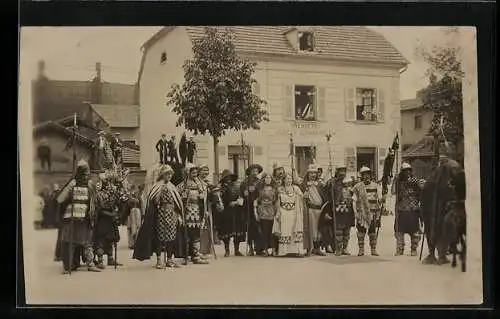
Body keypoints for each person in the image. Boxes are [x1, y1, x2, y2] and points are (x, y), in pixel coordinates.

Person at [133, 165, 184, 268]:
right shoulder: (156, 187)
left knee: (171, 237)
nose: (169, 176)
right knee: (159, 238)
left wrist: (178, 215)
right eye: (167, 174)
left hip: (172, 215)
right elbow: (153, 202)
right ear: (162, 175)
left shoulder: (172, 187)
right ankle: (159, 260)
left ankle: (169, 259)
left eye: (170, 174)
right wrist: (158, 197)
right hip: (160, 215)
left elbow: (177, 203)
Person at [56, 159, 100, 274]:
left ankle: (89, 263)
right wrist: (69, 191)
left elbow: (94, 201)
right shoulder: (72, 183)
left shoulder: (90, 185)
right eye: (85, 172)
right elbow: (60, 199)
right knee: (70, 242)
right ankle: (69, 266)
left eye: (87, 172)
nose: (86, 175)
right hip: (71, 218)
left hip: (85, 218)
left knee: (87, 242)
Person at [175, 163, 209, 264]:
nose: (195, 173)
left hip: (197, 212)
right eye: (192, 172)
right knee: (187, 235)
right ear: (187, 173)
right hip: (187, 212)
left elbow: (204, 196)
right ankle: (185, 256)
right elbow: (176, 197)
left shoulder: (199, 184)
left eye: (195, 172)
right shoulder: (182, 185)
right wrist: (182, 198)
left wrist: (203, 198)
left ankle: (196, 255)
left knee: (196, 234)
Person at [93, 171, 126, 269]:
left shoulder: (113, 193)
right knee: (100, 240)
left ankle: (110, 259)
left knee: (111, 239)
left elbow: (118, 203)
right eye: (106, 181)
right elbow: (98, 209)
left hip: (111, 219)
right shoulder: (98, 194)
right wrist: (111, 214)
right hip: (102, 219)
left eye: (108, 181)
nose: (108, 183)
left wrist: (117, 213)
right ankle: (99, 260)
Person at [393, 163, 423, 256]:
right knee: (399, 231)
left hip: (413, 209)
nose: (407, 173)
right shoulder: (398, 181)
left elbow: (421, 192)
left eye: (409, 170)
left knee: (414, 231)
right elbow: (394, 191)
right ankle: (400, 248)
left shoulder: (415, 180)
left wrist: (417, 185)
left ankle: (414, 249)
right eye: (405, 171)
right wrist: (396, 180)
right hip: (401, 209)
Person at [273, 172, 305, 257]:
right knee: (285, 230)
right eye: (287, 179)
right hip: (284, 213)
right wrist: (278, 212)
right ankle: (284, 251)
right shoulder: (280, 189)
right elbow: (277, 202)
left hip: (294, 212)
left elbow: (302, 197)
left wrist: (302, 195)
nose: (289, 180)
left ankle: (296, 251)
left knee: (294, 230)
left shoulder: (296, 188)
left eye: (290, 178)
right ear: (284, 180)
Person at [352, 166, 383, 256]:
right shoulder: (358, 187)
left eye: (368, 174)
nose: (366, 176)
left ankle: (373, 249)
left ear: (370, 175)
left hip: (372, 213)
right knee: (361, 232)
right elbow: (354, 200)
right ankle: (361, 250)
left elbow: (379, 197)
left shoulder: (376, 186)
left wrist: (381, 200)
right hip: (361, 214)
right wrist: (355, 213)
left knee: (372, 232)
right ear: (361, 176)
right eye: (364, 174)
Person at [324, 167, 356, 256]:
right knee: (338, 230)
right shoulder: (333, 182)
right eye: (340, 171)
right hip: (338, 208)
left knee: (347, 230)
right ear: (337, 172)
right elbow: (327, 191)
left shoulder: (350, 181)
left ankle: (345, 248)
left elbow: (354, 193)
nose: (342, 173)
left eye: (344, 171)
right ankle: (338, 248)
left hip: (348, 208)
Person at [300, 164, 328, 256]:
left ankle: (317, 248)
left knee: (319, 229)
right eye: (311, 173)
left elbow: (325, 195)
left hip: (320, 210)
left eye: (314, 173)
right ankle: (309, 248)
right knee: (310, 229)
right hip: (310, 209)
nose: (312, 175)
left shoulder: (320, 184)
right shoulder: (304, 185)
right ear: (307, 174)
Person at [219, 169, 246, 257]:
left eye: (230, 177)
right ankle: (227, 250)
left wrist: (240, 200)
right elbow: (220, 200)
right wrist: (228, 203)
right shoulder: (221, 188)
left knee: (237, 231)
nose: (228, 179)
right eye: (226, 177)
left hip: (237, 211)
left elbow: (240, 195)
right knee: (227, 231)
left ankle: (236, 250)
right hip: (227, 211)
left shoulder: (236, 186)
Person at [198, 164, 223, 259]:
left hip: (207, 207)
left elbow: (213, 194)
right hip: (198, 208)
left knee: (207, 229)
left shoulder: (208, 183)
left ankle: (206, 250)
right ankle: (198, 251)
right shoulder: (196, 182)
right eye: (203, 170)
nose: (205, 173)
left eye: (206, 170)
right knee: (200, 229)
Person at [240, 163, 263, 256]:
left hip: (257, 207)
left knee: (258, 228)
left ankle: (259, 248)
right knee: (249, 228)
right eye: (253, 170)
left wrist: (256, 192)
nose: (255, 172)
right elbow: (241, 193)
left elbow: (262, 192)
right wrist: (245, 192)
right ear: (249, 172)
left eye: (256, 171)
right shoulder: (245, 182)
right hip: (248, 207)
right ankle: (250, 248)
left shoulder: (260, 182)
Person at [254, 173, 277, 256]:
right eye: (266, 178)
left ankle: (274, 250)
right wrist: (256, 203)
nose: (267, 179)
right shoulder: (261, 189)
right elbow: (258, 199)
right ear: (264, 179)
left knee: (272, 231)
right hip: (263, 211)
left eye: (269, 178)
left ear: (271, 179)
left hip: (271, 210)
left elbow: (276, 200)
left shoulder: (274, 189)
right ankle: (266, 249)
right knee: (265, 231)